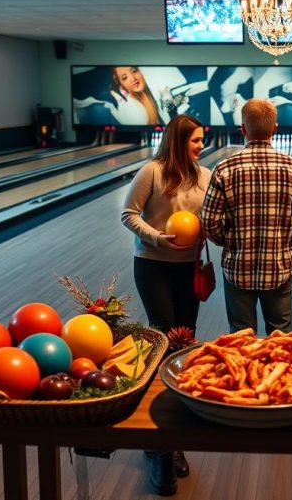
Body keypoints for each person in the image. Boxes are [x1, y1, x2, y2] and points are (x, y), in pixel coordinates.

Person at [120, 113, 209, 495]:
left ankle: (173, 436)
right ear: (177, 141)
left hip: (187, 270)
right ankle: (160, 446)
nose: (200, 146)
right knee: (163, 343)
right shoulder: (151, 172)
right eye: (195, 141)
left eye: (203, 141)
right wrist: (158, 238)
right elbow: (128, 215)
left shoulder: (204, 176)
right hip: (153, 266)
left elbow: (211, 218)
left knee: (185, 346)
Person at [201, 98, 292, 335]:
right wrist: (283, 242)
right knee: (281, 335)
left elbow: (209, 222)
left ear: (242, 129)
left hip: (237, 267)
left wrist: (229, 242)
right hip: (279, 266)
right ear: (275, 129)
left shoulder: (224, 169)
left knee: (241, 337)